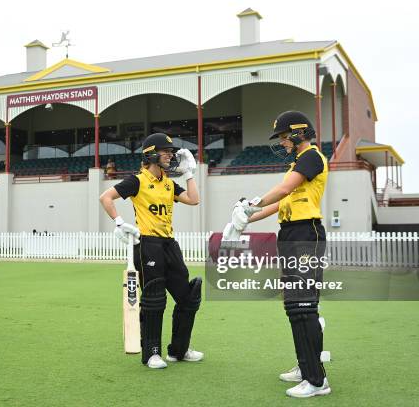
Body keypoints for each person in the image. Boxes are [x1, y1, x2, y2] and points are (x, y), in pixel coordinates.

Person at [228, 111, 331, 398]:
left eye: (285, 136)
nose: (283, 142)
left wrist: (250, 202)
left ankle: (316, 380)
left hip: (305, 233)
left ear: (299, 134)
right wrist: (248, 218)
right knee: (295, 306)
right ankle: (306, 366)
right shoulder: (297, 164)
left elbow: (283, 189)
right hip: (291, 233)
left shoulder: (311, 157)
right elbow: (281, 201)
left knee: (303, 307)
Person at [99, 133, 203, 369]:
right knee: (154, 299)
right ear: (152, 155)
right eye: (166, 151)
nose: (170, 155)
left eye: (170, 152)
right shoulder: (137, 181)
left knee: (187, 297)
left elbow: (194, 199)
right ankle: (151, 353)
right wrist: (118, 222)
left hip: (169, 244)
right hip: (147, 245)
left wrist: (189, 175)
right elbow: (106, 197)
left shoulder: (168, 182)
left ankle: (179, 350)